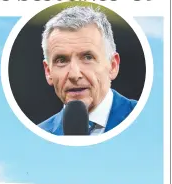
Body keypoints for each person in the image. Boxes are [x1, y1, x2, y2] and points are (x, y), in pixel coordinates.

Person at [38, 6, 137, 136]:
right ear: (48, 72)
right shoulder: (38, 135)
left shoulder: (149, 119)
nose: (74, 75)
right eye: (61, 60)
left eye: (88, 57)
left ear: (113, 65)